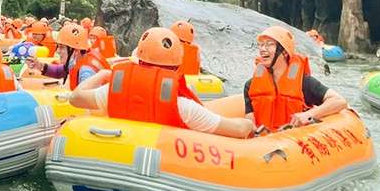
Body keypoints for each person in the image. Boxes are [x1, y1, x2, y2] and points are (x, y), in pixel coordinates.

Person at [71, 27, 252, 137]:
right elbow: (238, 129)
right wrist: (250, 124)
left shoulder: (112, 92)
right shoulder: (183, 107)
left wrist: (102, 75)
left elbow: (76, 98)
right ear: (176, 65)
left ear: (139, 58)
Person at [243, 26, 347, 132]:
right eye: (261, 45)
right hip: (264, 142)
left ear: (284, 51)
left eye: (270, 44)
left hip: (293, 143)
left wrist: (309, 114)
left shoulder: (304, 83)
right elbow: (251, 123)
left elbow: (339, 101)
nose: (263, 49)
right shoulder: (250, 86)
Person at [26, 22, 108, 89]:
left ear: (75, 50)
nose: (58, 51)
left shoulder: (86, 72)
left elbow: (87, 103)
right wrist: (39, 65)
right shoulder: (77, 59)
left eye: (61, 48)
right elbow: (60, 71)